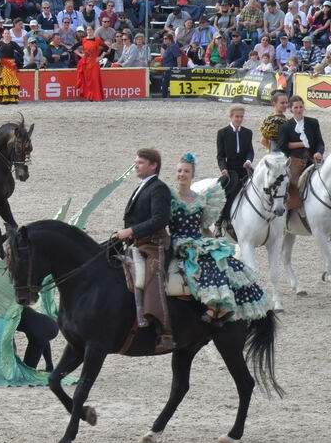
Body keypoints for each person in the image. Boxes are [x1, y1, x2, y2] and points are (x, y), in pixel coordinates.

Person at [170, 153, 268, 322]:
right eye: (179, 171)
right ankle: (212, 306)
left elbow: (204, 228)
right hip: (182, 242)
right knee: (205, 262)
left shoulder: (200, 199)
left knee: (227, 261)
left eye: (186, 171)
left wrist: (216, 243)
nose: (182, 174)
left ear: (192, 175)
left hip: (198, 240)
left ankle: (225, 307)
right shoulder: (170, 197)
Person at [116, 148, 173, 348]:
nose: (136, 165)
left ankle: (164, 331)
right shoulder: (143, 186)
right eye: (136, 162)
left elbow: (160, 219)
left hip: (154, 244)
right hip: (137, 242)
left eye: (140, 162)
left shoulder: (158, 188)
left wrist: (132, 230)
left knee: (152, 277)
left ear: (153, 165)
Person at [279, 96, 325, 211]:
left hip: (312, 160)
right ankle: (291, 211)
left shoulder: (313, 123)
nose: (299, 110)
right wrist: (301, 145)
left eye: (300, 107)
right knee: (292, 183)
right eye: (296, 107)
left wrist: (319, 152)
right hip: (295, 160)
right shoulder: (286, 127)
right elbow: (282, 147)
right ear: (291, 109)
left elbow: (320, 142)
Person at [215, 104, 254, 235]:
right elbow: (220, 156)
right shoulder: (222, 133)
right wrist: (223, 169)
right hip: (231, 168)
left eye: (241, 117)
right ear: (231, 117)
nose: (239, 119)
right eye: (237, 117)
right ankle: (220, 220)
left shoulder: (248, 133)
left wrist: (248, 161)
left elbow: (250, 151)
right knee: (228, 190)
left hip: (244, 167)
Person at [18, 306, 58, 371]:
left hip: (39, 332)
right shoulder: (16, 304)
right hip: (49, 323)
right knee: (43, 340)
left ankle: (50, 369)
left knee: (27, 371)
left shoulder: (6, 314)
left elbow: (10, 341)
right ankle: (50, 368)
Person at [0, 29, 21, 104]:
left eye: (8, 33)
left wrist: (16, 62)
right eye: (5, 33)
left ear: (10, 35)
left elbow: (21, 53)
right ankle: (1, 99)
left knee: (10, 82)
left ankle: (10, 99)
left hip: (10, 65)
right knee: (1, 82)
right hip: (1, 64)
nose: (7, 35)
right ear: (3, 35)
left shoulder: (13, 44)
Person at [75, 26, 105, 101]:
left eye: (90, 29)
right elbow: (73, 48)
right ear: (86, 31)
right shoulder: (84, 40)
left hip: (94, 62)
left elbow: (106, 48)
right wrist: (81, 55)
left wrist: (100, 57)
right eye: (88, 30)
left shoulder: (97, 40)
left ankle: (96, 96)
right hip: (86, 62)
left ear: (93, 30)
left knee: (94, 79)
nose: (89, 31)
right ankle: (89, 97)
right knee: (88, 80)